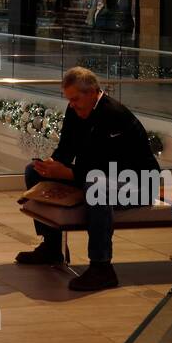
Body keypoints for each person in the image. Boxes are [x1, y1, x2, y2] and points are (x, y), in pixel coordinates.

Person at [16, 66, 160, 292]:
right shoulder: (75, 110)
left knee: (97, 187)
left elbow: (110, 168)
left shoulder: (114, 115)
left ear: (93, 92)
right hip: (97, 174)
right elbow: (66, 149)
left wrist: (70, 173)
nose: (71, 104)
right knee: (32, 172)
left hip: (137, 182)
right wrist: (51, 165)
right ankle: (52, 246)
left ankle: (102, 267)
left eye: (75, 99)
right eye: (69, 100)